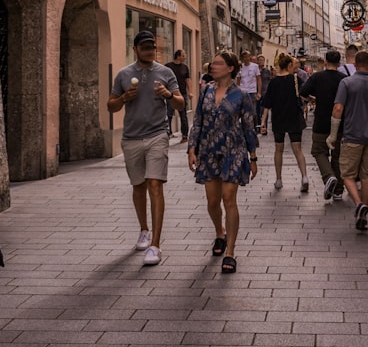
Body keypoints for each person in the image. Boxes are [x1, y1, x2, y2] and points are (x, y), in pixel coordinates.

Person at [107, 30, 184, 266]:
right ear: (136, 49)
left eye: (152, 48)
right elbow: (111, 107)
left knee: (155, 184)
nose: (150, 51)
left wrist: (168, 94)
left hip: (157, 135)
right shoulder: (124, 74)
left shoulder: (165, 72)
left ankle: (156, 245)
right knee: (138, 186)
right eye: (145, 48)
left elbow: (181, 103)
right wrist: (124, 98)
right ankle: (144, 230)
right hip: (131, 138)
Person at [187, 51, 258, 274]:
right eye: (213, 63)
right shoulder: (206, 91)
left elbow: (249, 127)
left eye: (218, 63)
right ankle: (220, 232)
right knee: (212, 201)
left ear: (230, 68)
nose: (213, 66)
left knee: (229, 199)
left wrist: (252, 157)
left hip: (233, 151)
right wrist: (192, 148)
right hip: (208, 151)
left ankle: (230, 252)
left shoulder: (242, 96)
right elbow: (198, 121)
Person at [330, 50, 368, 231]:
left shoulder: (346, 82)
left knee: (347, 175)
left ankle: (358, 204)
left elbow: (338, 108)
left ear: (355, 65)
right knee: (366, 177)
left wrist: (333, 134)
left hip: (351, 137)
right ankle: (363, 213)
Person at [259, 52, 311, 192]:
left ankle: (278, 179)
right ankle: (304, 176)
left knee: (279, 149)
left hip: (278, 118)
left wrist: (263, 122)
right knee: (297, 149)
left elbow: (267, 104)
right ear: (289, 65)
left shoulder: (273, 82)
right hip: (294, 117)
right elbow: (305, 95)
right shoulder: (296, 79)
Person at [300, 49, 347, 201]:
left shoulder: (317, 77)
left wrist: (313, 99)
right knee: (338, 155)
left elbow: (303, 92)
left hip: (321, 121)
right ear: (339, 63)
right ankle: (338, 190)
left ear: (325, 62)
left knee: (319, 151)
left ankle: (329, 177)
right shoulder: (344, 79)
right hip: (340, 122)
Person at [164, 49, 192, 142]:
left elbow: (188, 80)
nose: (185, 57)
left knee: (183, 114)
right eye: (183, 55)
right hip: (170, 94)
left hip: (182, 93)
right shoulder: (168, 67)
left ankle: (184, 135)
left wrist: (190, 92)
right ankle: (168, 134)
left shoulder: (185, 67)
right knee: (169, 114)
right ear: (178, 56)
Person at [239, 49, 262, 134]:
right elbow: (238, 79)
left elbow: (258, 79)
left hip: (252, 91)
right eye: (244, 57)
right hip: (243, 91)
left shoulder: (255, 66)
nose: (245, 58)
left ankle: (253, 127)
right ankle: (245, 127)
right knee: (243, 110)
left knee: (253, 111)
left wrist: (259, 92)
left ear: (249, 57)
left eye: (247, 56)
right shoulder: (240, 67)